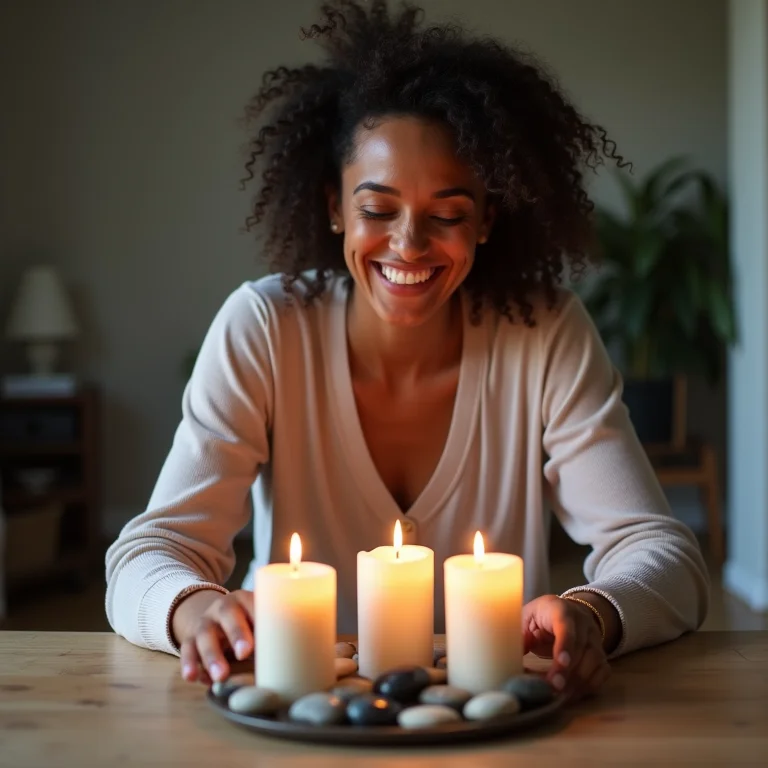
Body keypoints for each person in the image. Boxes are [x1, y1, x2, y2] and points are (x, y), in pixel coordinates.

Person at [105, 0, 709, 702]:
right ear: (334, 207)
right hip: (298, 715)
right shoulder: (265, 328)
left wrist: (595, 613)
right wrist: (193, 608)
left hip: (496, 724)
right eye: (377, 209)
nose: (409, 245)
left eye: (447, 214)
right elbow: (148, 554)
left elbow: (666, 557)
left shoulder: (546, 333)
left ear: (485, 219)